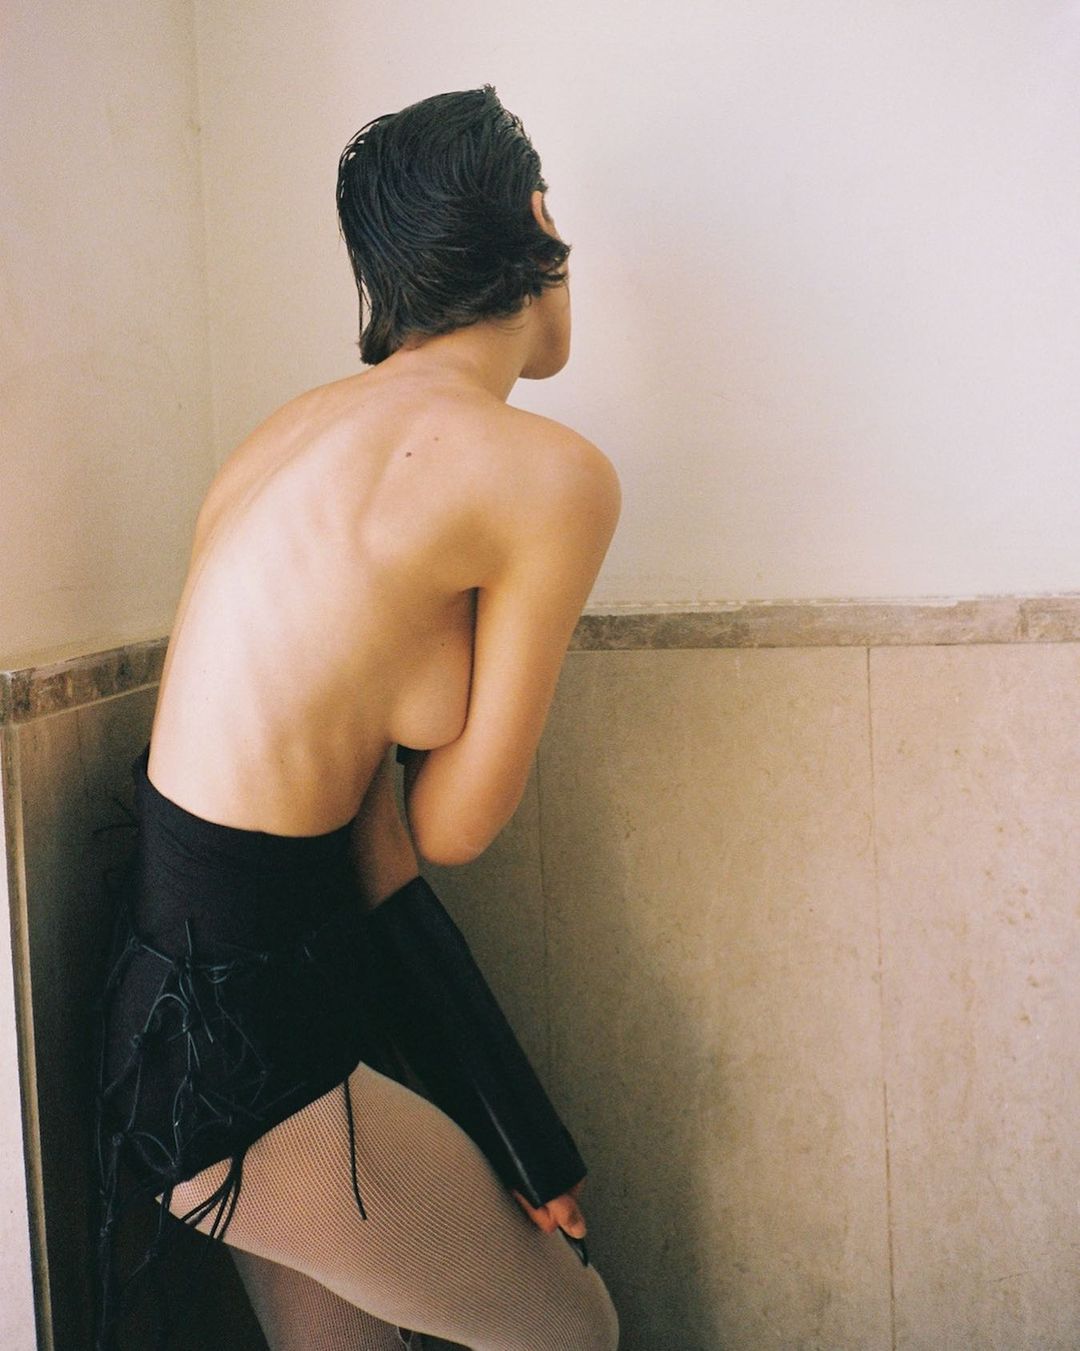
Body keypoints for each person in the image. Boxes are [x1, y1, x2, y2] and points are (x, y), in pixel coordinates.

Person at [93, 85, 622, 1351]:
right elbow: (449, 826)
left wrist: (521, 1131)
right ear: (539, 222)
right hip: (253, 1061)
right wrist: (522, 1135)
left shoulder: (286, 438)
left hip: (166, 1032)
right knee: (575, 1333)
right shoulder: (550, 475)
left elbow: (368, 854)